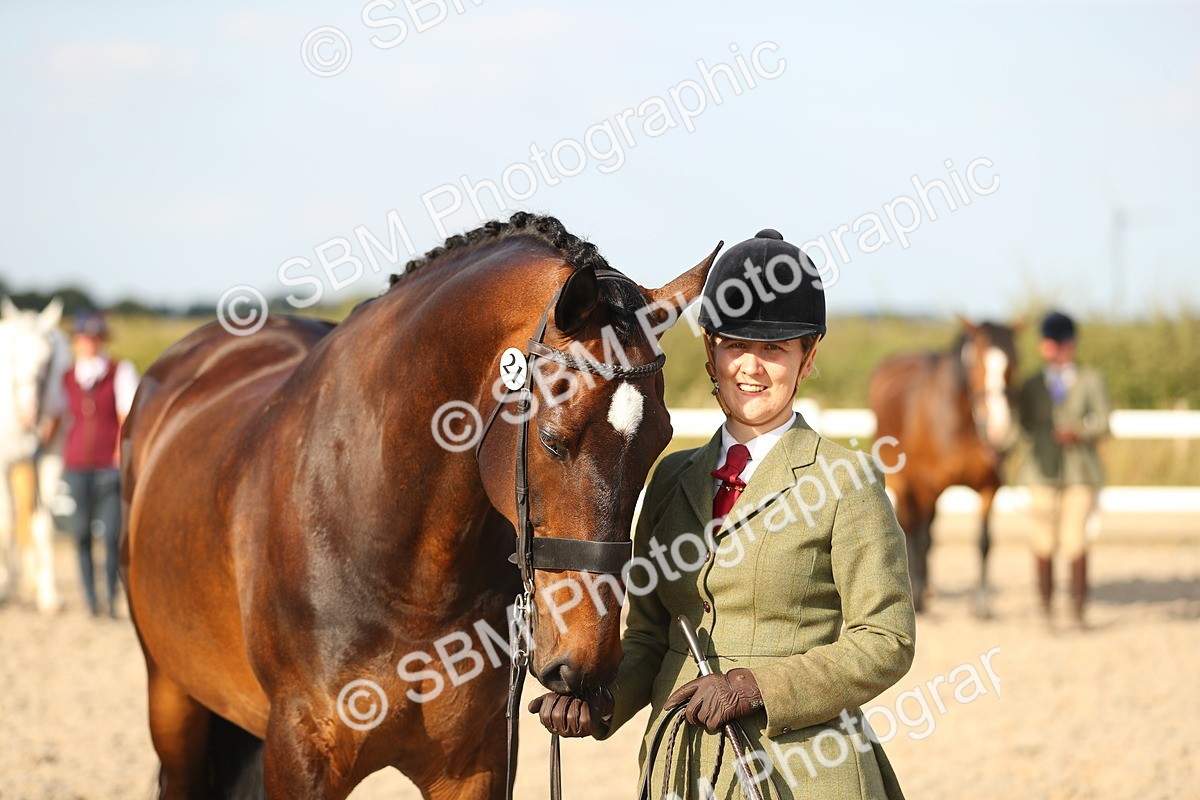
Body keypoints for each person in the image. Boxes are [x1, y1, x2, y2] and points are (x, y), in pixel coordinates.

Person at [529, 230, 916, 798]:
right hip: (683, 769)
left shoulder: (846, 482)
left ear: (808, 359)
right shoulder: (669, 479)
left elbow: (886, 640)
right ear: (710, 350)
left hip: (802, 771)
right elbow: (650, 638)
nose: (751, 368)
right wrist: (599, 704)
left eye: (775, 350)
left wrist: (758, 687)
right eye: (736, 345)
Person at [1016, 310, 1110, 628]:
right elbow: (1021, 426)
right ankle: (1046, 607)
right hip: (1041, 472)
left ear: (1070, 345)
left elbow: (1103, 422)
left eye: (1060, 344)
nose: (1055, 350)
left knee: (1075, 539)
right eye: (1050, 344)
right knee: (1042, 538)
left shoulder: (1090, 380)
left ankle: (1078, 609)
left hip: (1080, 471)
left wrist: (1078, 432)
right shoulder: (1031, 384)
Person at [45, 311, 138, 617]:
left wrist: (117, 454)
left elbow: (126, 417)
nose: (87, 343)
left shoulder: (118, 371)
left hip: (108, 465)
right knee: (81, 534)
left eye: (92, 337)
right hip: (76, 464)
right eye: (83, 337)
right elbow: (58, 416)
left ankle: (110, 599)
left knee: (111, 535)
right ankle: (90, 601)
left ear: (100, 340)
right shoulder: (67, 378)